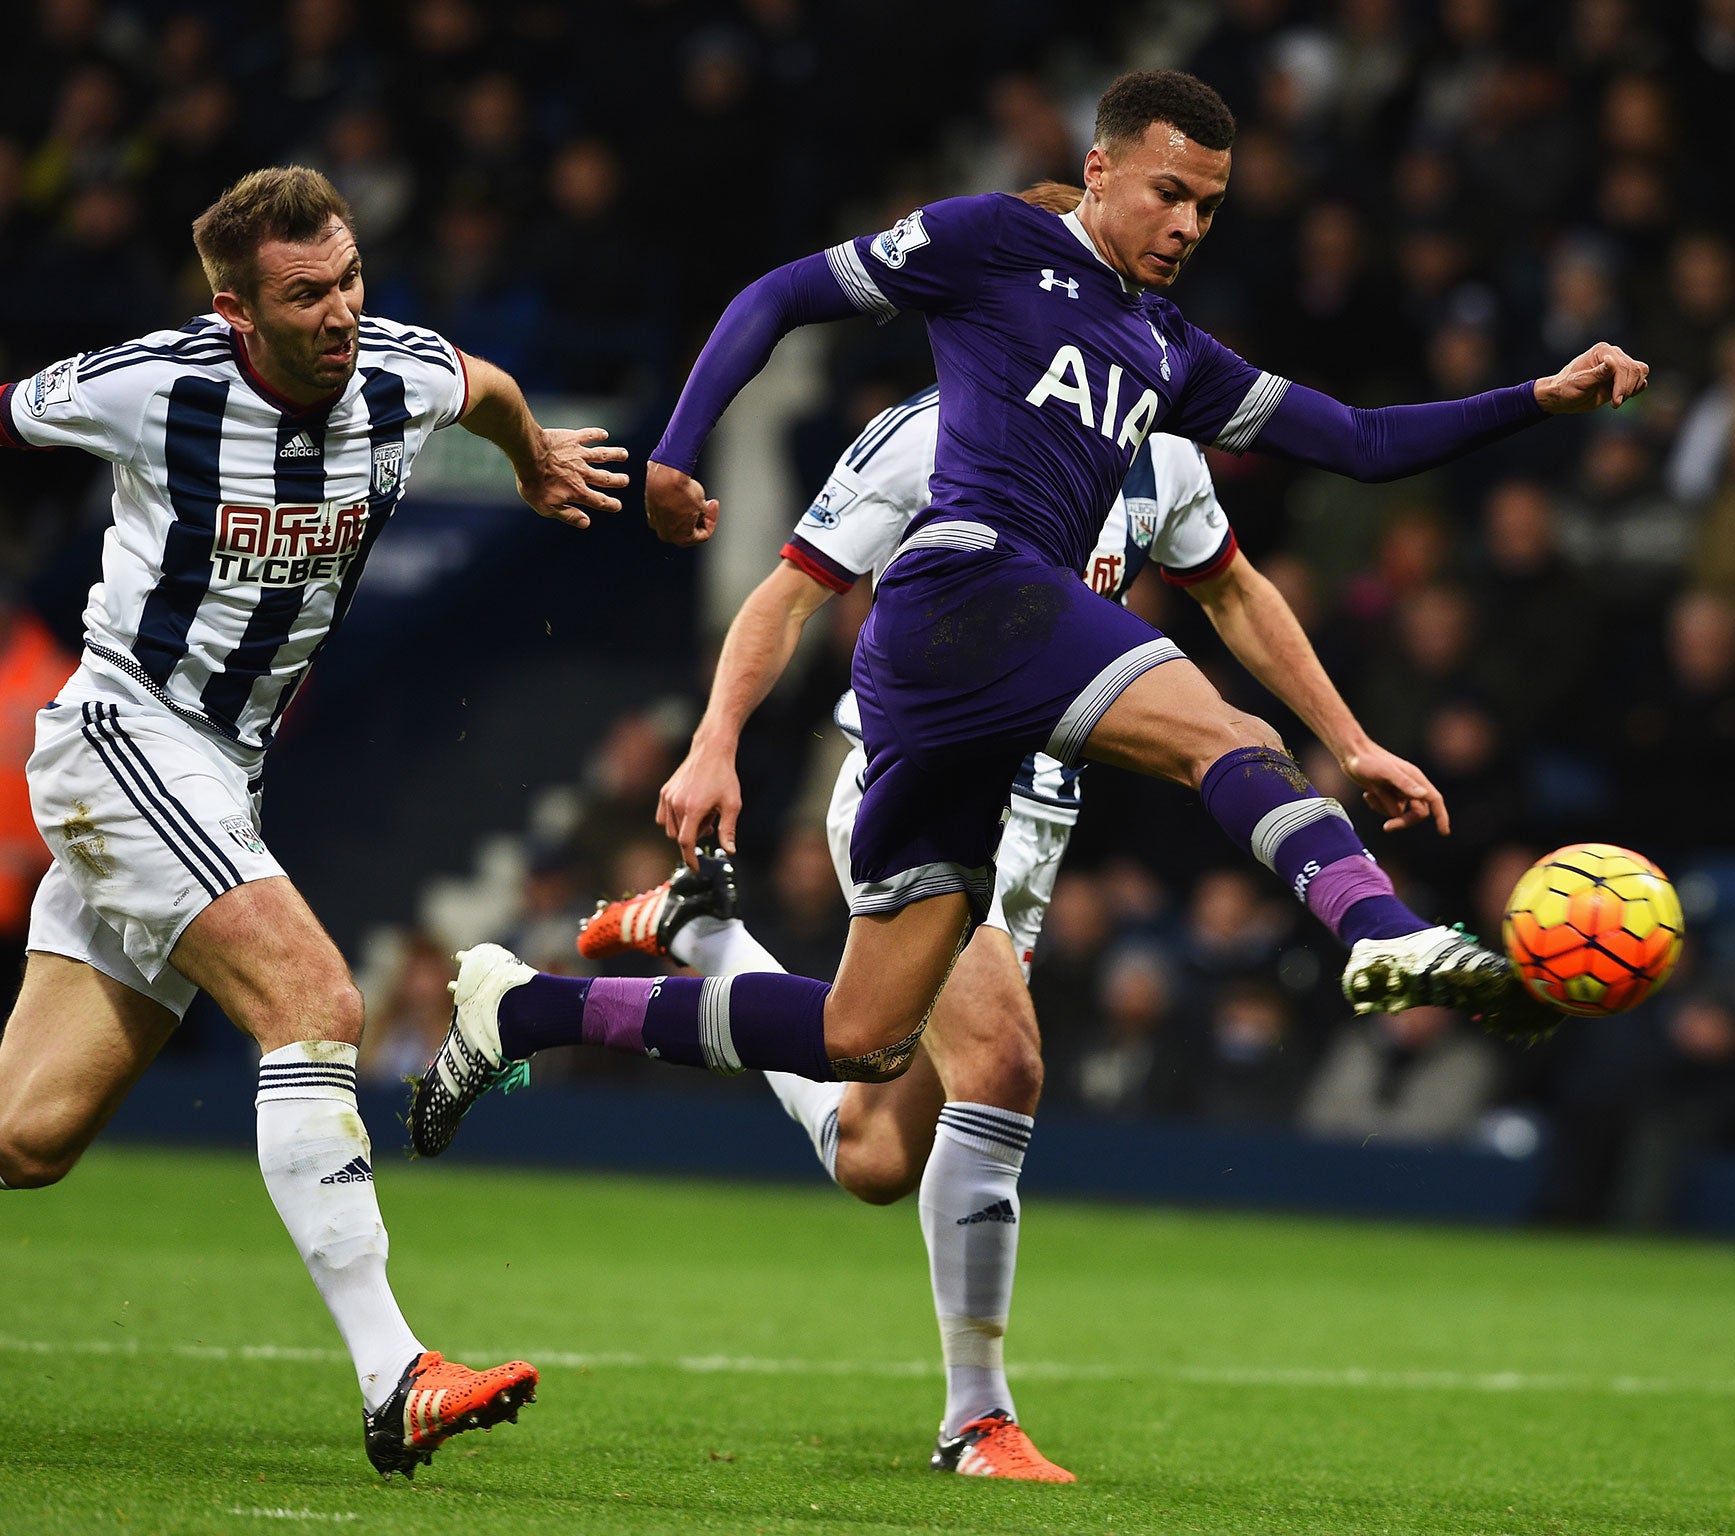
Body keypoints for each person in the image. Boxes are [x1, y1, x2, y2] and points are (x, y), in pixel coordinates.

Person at [410, 64, 1644, 1356]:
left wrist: (1536, 402)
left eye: (1211, 209)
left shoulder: (1168, 357)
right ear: (1100, 169)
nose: (1188, 226)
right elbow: (779, 295)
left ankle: (524, 1007)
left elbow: (1359, 440)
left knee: (861, 1048)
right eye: (1169, 193)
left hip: (983, 724)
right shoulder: (990, 241)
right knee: (1228, 742)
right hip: (963, 598)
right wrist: (675, 452)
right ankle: (1381, 932)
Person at [564, 179, 1438, 1477]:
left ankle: (705, 945)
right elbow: (788, 597)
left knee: (870, 1149)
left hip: (1043, 828)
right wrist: (713, 741)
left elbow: (1240, 594)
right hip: (913, 779)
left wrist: (1351, 736)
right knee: (1011, 1070)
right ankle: (977, 1418)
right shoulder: (927, 440)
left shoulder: (1162, 445)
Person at [0, 166, 629, 1479]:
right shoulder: (153, 385)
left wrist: (536, 462)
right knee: (316, 1001)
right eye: (305, 294)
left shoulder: (398, 367)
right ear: (236, 309)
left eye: (347, 277)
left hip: (222, 775)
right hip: (123, 740)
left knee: (31, 1139)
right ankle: (397, 1375)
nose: (340, 310)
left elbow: (492, 386)